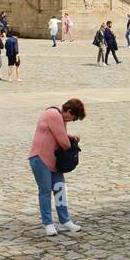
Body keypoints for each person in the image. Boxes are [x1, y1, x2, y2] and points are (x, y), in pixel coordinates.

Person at [28, 98, 86, 236]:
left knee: (60, 189)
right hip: (40, 158)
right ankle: (48, 223)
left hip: (54, 161)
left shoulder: (59, 118)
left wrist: (68, 135)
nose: (72, 121)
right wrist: (69, 139)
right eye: (73, 118)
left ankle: (65, 220)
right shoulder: (54, 115)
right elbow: (64, 144)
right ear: (69, 111)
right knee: (46, 190)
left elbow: (60, 135)